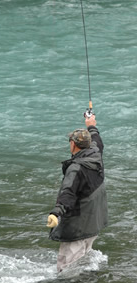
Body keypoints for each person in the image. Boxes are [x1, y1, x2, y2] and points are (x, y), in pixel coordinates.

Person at [47, 115, 108, 273]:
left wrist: (56, 213)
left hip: (78, 228)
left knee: (66, 271)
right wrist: (91, 125)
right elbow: (97, 140)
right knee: (83, 262)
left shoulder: (75, 168)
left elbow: (68, 192)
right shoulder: (96, 154)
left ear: (73, 144)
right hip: (93, 223)